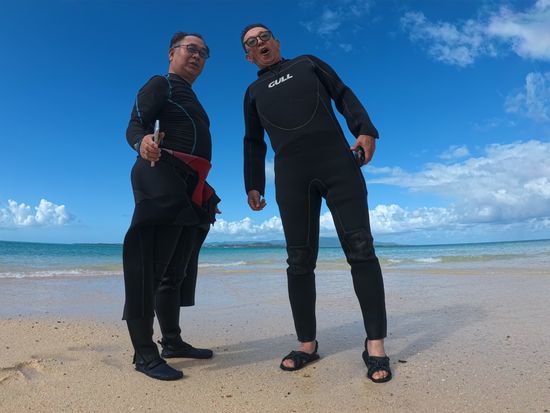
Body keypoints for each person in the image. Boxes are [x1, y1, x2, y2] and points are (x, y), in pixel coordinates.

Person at [240, 24, 391, 383]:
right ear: (248, 57)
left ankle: (375, 346)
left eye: (264, 37)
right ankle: (307, 345)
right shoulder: (252, 92)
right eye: (251, 43)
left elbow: (342, 93)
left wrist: (365, 129)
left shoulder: (307, 63)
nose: (260, 43)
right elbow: (253, 141)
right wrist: (253, 184)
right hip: (292, 179)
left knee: (361, 249)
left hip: (338, 165)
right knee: (299, 261)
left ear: (277, 41)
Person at [122, 32, 220, 381]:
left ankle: (173, 342)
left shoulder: (193, 97)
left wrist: (203, 190)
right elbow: (135, 123)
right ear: (171, 53)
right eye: (191, 49)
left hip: (189, 183)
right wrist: (141, 142)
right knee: (150, 266)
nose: (197, 56)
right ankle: (144, 354)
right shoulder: (160, 83)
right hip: (159, 172)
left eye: (204, 53)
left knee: (175, 271)